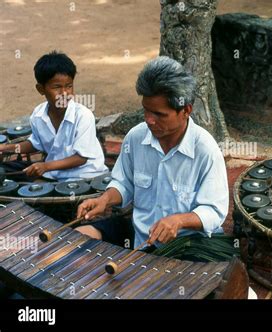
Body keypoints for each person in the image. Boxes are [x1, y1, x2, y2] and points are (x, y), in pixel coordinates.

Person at [75, 56, 237, 262]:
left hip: (187, 244)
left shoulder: (206, 150)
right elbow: (124, 184)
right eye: (146, 110)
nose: (149, 120)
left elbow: (214, 211)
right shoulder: (135, 138)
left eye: (159, 114)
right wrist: (104, 200)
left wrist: (179, 221)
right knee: (80, 238)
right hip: (139, 236)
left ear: (186, 110)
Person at [0, 51, 108, 181]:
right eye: (57, 87)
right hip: (53, 173)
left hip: (84, 176)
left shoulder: (83, 116)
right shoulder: (38, 115)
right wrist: (6, 149)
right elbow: (36, 143)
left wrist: (46, 166)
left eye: (69, 86)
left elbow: (81, 158)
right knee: (7, 169)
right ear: (41, 89)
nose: (64, 93)